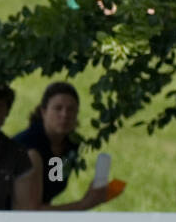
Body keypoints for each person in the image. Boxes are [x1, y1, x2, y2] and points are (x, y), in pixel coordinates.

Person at [14, 82, 107, 210]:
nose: (64, 115)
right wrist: (84, 204)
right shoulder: (30, 149)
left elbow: (52, 186)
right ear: (43, 112)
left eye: (71, 109)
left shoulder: (69, 146)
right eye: (58, 108)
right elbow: (31, 212)